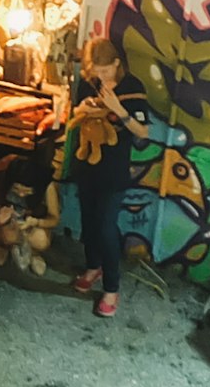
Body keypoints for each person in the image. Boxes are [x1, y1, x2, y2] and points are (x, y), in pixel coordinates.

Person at [63, 67, 152, 316]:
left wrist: (117, 109)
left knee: (106, 227)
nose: (99, 74)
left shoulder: (133, 87)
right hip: (87, 166)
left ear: (116, 63)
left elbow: (143, 132)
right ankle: (93, 267)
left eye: (105, 69)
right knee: (88, 221)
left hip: (114, 173)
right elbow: (75, 113)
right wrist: (85, 109)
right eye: (95, 68)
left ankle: (112, 289)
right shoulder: (89, 83)